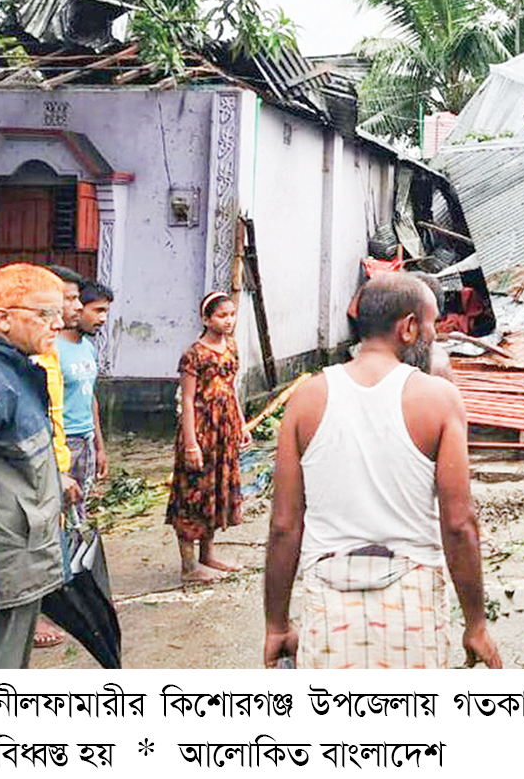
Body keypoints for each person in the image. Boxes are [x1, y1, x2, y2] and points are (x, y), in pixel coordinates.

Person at [264, 272, 501, 669]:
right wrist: (475, 624)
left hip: (329, 602)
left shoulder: (306, 400)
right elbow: (459, 523)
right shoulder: (439, 400)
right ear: (408, 328)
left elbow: (284, 526)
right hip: (413, 601)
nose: (434, 337)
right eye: (431, 326)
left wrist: (276, 624)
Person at [0, 264, 67, 668]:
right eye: (46, 314)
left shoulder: (15, 369)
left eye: (60, 313)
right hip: (0, 569)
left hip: (20, 561)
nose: (59, 323)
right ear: (4, 318)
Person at [166, 292, 251, 583]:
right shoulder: (194, 354)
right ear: (206, 319)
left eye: (231, 314)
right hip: (201, 431)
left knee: (216, 491)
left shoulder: (232, 348)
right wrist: (191, 444)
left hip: (224, 432)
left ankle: (208, 555)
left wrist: (241, 424)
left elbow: (231, 389)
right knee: (193, 493)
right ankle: (189, 566)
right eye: (221, 315)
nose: (228, 321)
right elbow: (187, 400)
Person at [30, 265, 85, 649]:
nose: (76, 306)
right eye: (69, 298)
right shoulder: (24, 358)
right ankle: (28, 617)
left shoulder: (51, 351)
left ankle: (48, 605)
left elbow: (55, 415)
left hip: (58, 460)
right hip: (35, 471)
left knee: (53, 538)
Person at [57, 281, 114, 502]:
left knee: (79, 511)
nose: (103, 319)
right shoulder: (51, 350)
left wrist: (99, 447)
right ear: (79, 307)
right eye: (98, 311)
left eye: (106, 312)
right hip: (62, 443)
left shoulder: (88, 348)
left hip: (86, 440)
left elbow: (90, 398)